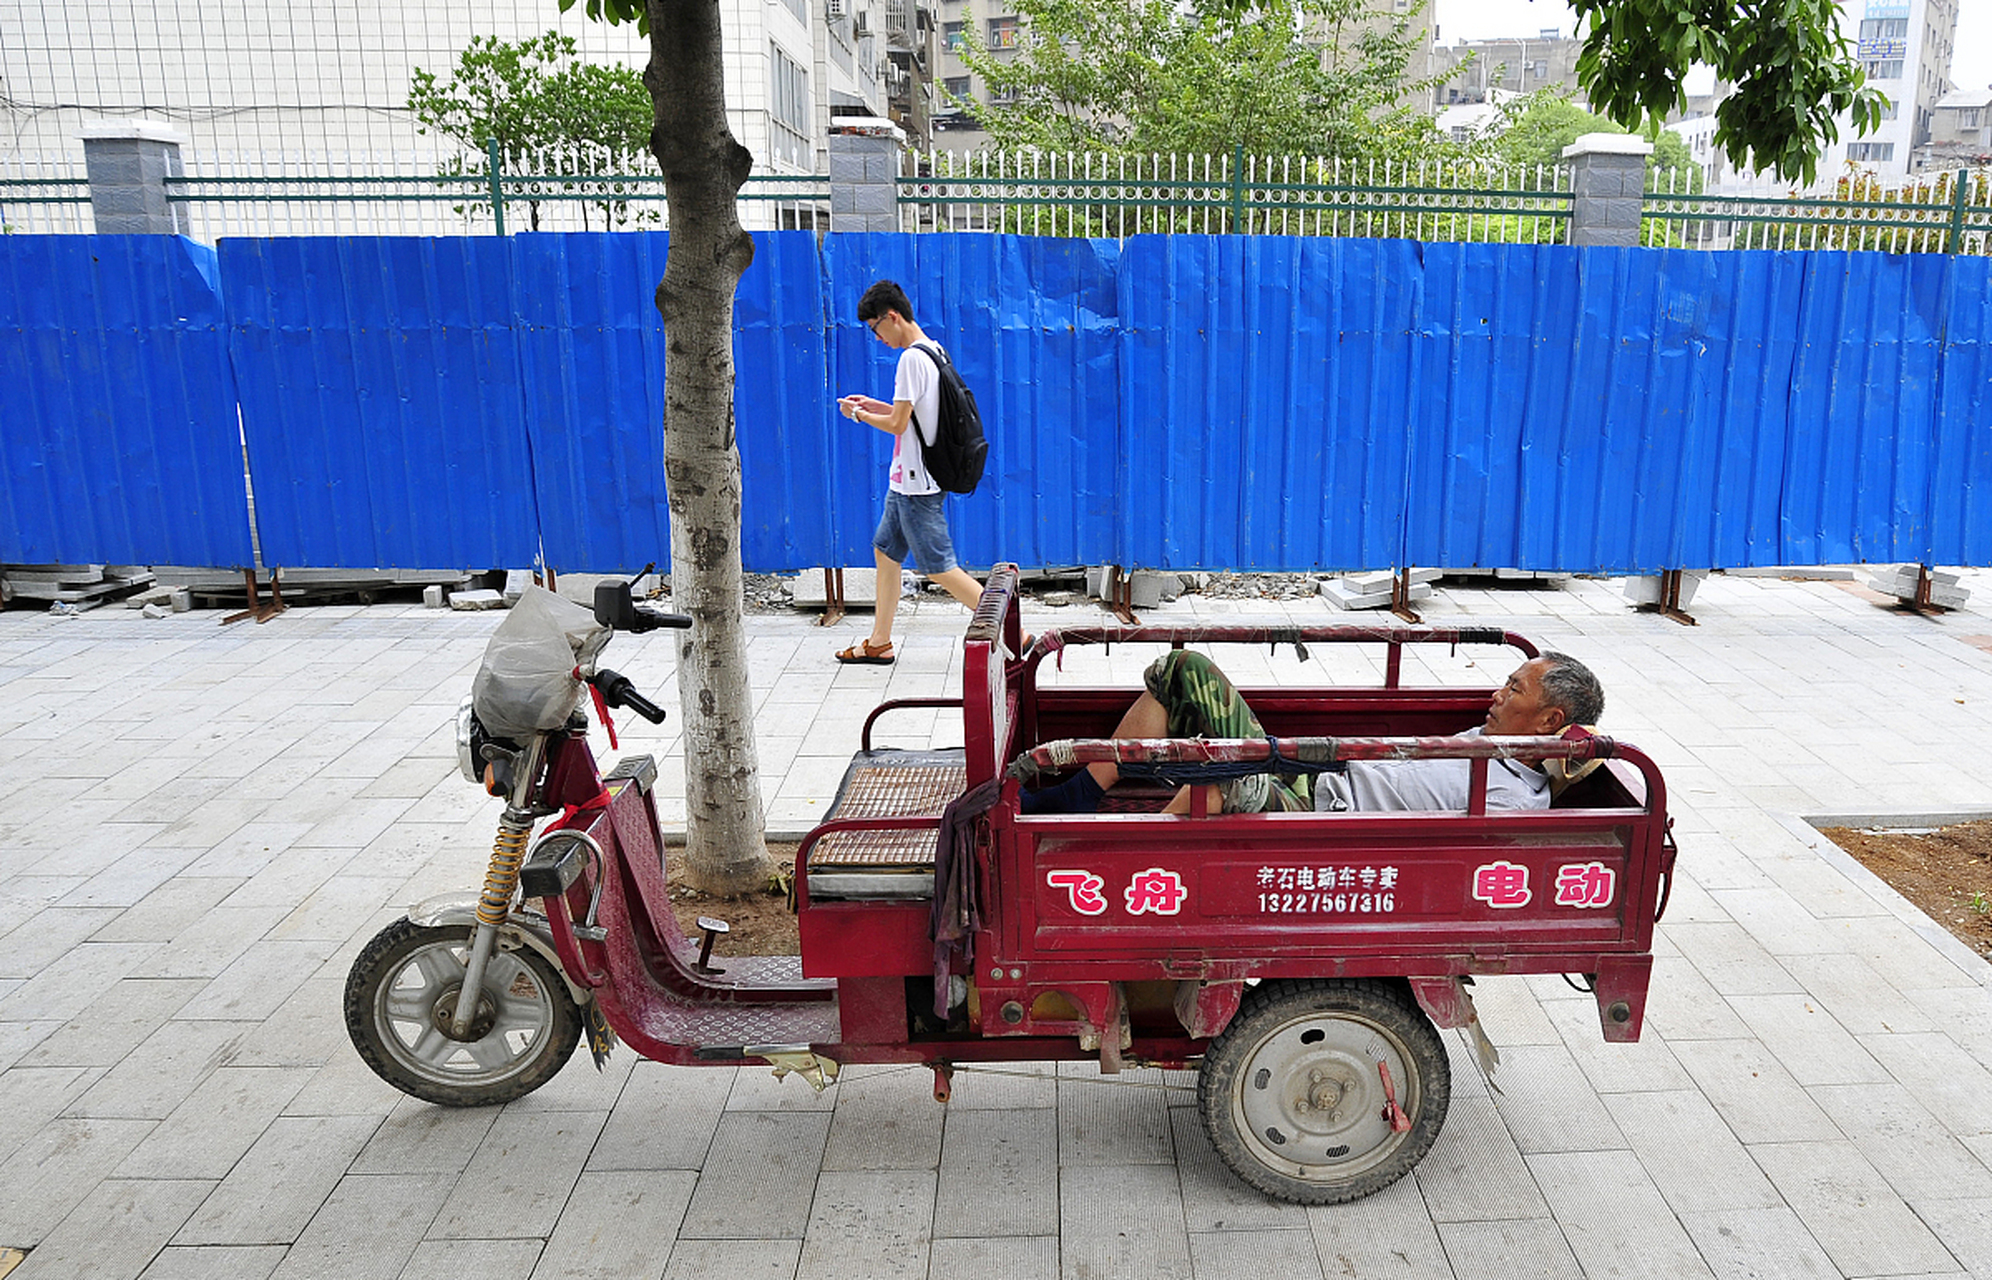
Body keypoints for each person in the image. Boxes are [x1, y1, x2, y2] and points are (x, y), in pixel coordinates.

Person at [1020, 650, 1603, 816]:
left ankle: (1123, 865)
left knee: (1219, 787)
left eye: (1514, 690)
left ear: (1550, 722)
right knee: (1184, 671)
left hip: (1326, 816)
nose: (1497, 693)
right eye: (1506, 682)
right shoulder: (1493, 736)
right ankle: (1076, 798)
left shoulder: (1510, 797)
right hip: (1322, 775)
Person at [833, 280, 986, 665]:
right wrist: (873, 404)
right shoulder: (933, 350)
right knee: (886, 551)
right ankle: (879, 641)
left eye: (875, 328)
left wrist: (858, 414)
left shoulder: (911, 359)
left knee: (940, 569)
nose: (877, 337)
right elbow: (916, 414)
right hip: (906, 480)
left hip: (917, 484)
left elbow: (900, 424)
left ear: (892, 317)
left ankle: (1017, 631)